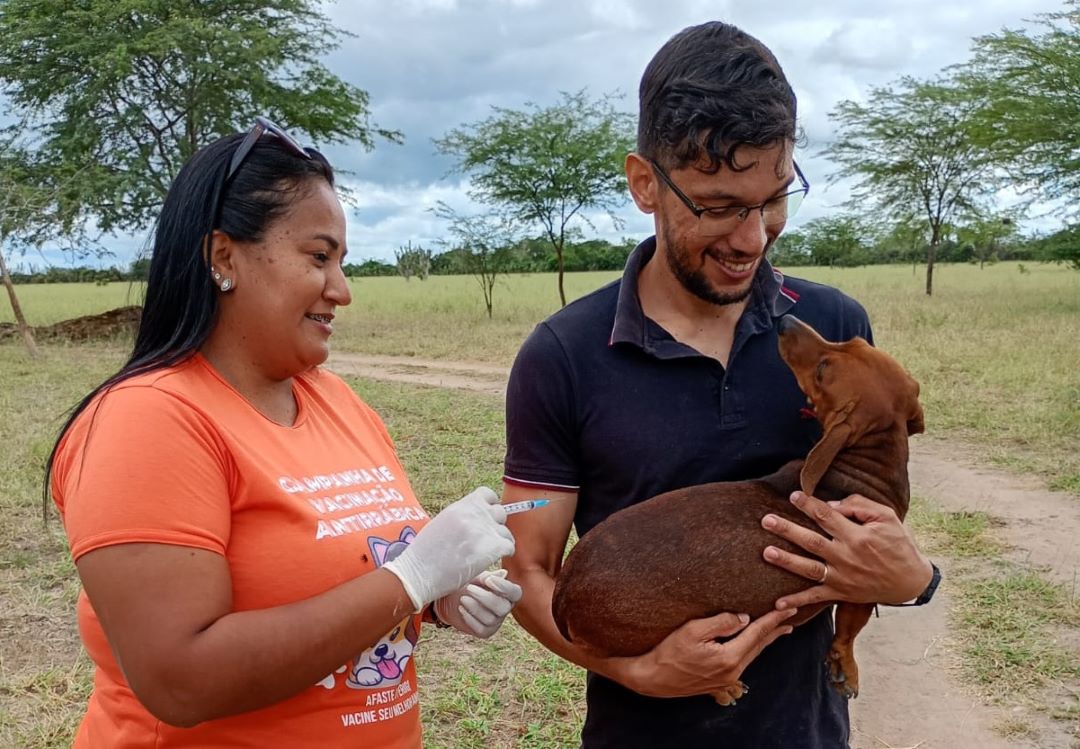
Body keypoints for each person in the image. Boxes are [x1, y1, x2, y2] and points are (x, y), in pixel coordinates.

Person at [500, 22, 937, 748]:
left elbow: (871, 513)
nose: (753, 238)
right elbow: (528, 566)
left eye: (772, 198)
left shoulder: (832, 321)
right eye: (718, 205)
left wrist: (914, 576)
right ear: (645, 183)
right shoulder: (562, 356)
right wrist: (633, 668)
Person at [46, 117, 522, 748]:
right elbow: (181, 681)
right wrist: (410, 580)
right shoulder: (147, 420)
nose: (342, 290)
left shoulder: (337, 401)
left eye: (341, 261)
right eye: (318, 257)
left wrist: (439, 597)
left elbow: (348, 567)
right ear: (225, 258)